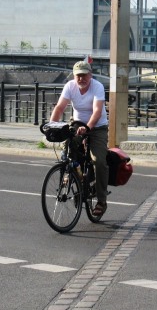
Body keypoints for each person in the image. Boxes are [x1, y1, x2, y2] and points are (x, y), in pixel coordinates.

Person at [50, 60, 109, 216]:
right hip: (77, 124)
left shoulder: (97, 86)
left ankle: (101, 201)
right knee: (68, 149)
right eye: (78, 76)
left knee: (98, 161)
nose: (81, 79)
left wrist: (88, 127)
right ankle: (75, 179)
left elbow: (97, 111)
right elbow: (60, 107)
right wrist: (51, 126)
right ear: (74, 76)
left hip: (97, 127)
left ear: (90, 75)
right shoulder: (70, 86)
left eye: (84, 75)